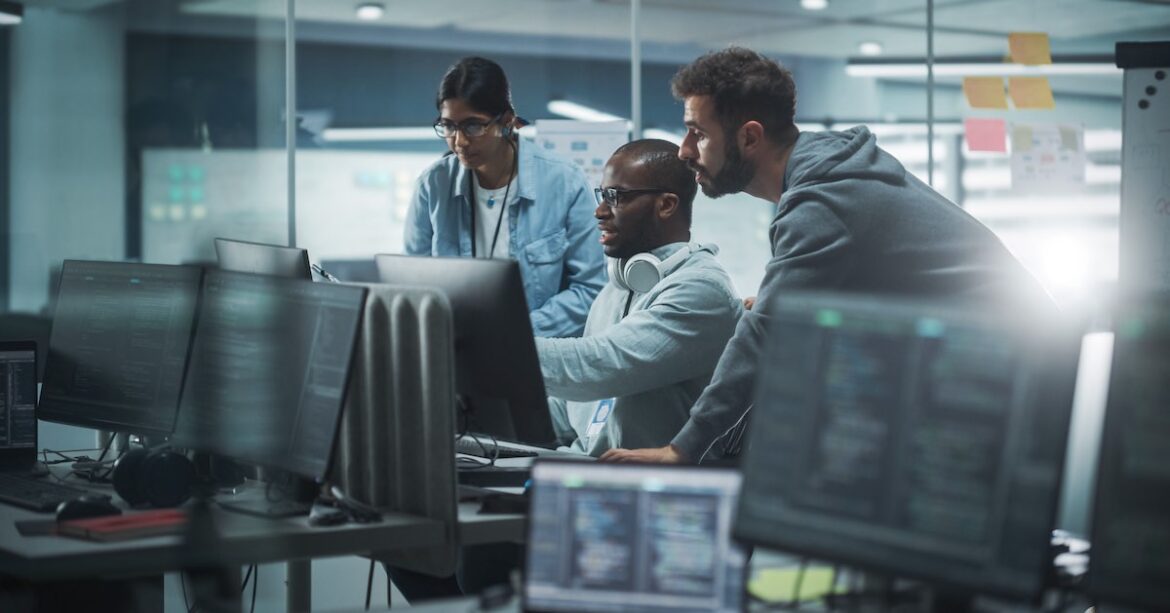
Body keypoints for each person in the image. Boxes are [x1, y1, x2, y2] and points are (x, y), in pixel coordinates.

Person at [601, 47, 1054, 464]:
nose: (684, 151)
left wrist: (683, 449)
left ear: (750, 137)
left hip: (1016, 386)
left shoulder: (823, 199)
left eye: (697, 134)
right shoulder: (823, 173)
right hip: (996, 371)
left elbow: (764, 338)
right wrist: (794, 302)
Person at [536, 139, 744, 456]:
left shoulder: (702, 290)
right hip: (585, 467)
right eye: (601, 195)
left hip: (655, 490)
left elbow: (601, 365)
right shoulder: (617, 288)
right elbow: (572, 410)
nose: (600, 211)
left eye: (615, 197)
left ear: (666, 205)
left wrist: (504, 353)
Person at [403, 56, 605, 337]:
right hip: (457, 355)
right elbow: (414, 285)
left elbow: (590, 289)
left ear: (507, 121)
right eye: (449, 126)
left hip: (536, 359)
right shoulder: (432, 185)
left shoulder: (564, 182)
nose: (459, 141)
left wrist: (514, 333)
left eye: (473, 126)